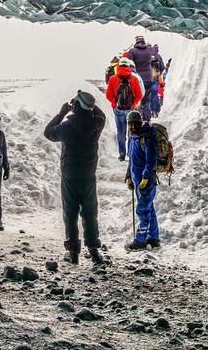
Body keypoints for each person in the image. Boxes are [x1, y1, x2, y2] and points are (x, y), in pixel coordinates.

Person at [43, 90, 108, 265]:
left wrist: (62, 113)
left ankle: (73, 252)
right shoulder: (97, 123)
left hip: (70, 176)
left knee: (70, 214)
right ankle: (94, 250)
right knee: (90, 213)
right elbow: (101, 114)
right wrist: (88, 106)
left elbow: (48, 132)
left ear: (76, 106)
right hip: (88, 175)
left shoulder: (67, 128)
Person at [123, 110, 161, 251]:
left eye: (135, 124)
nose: (132, 127)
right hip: (137, 180)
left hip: (146, 182)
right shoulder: (133, 137)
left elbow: (151, 161)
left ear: (139, 123)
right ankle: (154, 237)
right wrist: (128, 176)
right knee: (148, 208)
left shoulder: (147, 137)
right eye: (130, 124)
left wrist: (145, 178)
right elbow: (132, 160)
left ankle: (140, 241)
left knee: (143, 210)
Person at [105, 59, 143, 156]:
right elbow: (139, 95)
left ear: (119, 66)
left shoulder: (112, 78)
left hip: (118, 109)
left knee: (120, 131)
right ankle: (130, 152)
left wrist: (114, 103)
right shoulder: (134, 79)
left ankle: (121, 154)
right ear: (128, 66)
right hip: (130, 109)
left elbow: (108, 95)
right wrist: (133, 104)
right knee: (131, 130)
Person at [126, 35, 165, 117]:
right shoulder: (149, 49)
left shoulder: (133, 51)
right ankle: (147, 119)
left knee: (138, 98)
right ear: (143, 41)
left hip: (138, 79)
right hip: (149, 79)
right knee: (147, 99)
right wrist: (156, 46)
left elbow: (129, 63)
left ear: (136, 41)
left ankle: (139, 117)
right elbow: (155, 50)